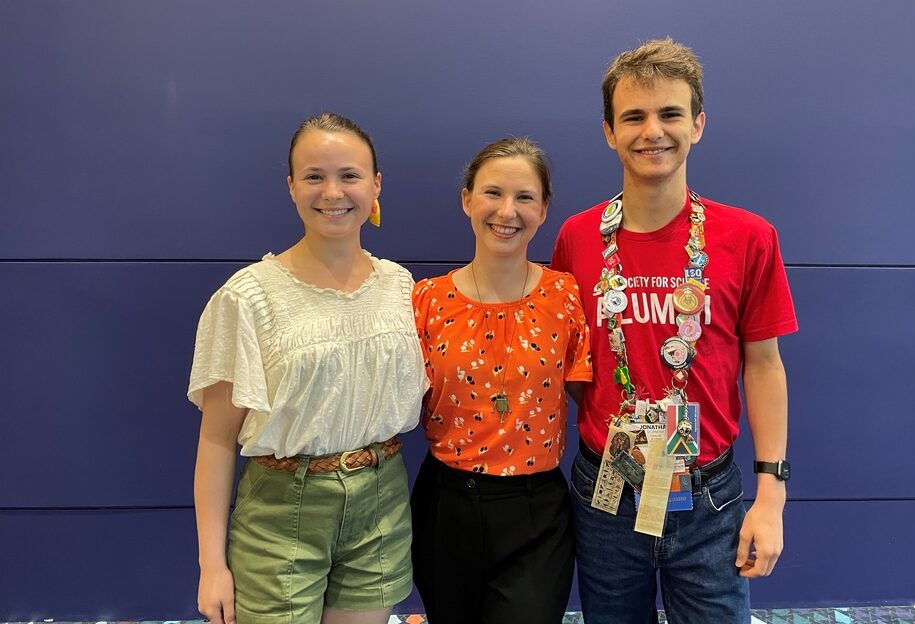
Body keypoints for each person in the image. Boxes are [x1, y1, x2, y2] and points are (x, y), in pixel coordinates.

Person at [551, 38, 798, 623]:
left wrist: (773, 495)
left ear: (699, 124)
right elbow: (573, 365)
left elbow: (764, 366)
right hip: (606, 488)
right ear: (609, 131)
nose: (652, 131)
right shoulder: (577, 239)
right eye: (633, 116)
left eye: (670, 114)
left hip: (710, 496)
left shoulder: (748, 236)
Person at [188, 112, 429, 624]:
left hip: (381, 503)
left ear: (376, 185)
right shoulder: (248, 297)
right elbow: (215, 440)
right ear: (292, 186)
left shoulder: (401, 288)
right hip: (280, 511)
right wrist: (212, 564)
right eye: (314, 176)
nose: (332, 192)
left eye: (349, 175)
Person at [410, 138, 593, 624]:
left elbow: (590, 394)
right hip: (446, 506)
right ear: (467, 199)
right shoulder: (425, 301)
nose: (507, 211)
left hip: (537, 513)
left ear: (544, 209)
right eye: (492, 193)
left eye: (525, 197)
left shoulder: (565, 294)